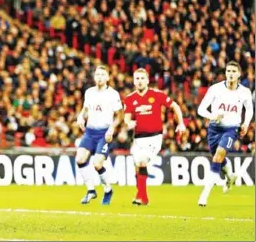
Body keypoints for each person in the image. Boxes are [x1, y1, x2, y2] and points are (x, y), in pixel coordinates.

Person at [124, 68, 186, 205]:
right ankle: (143, 198)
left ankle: (141, 197)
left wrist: (181, 123)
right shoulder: (129, 99)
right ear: (134, 81)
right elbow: (126, 119)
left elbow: (174, 106)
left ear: (147, 80)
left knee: (141, 162)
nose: (139, 81)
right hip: (138, 139)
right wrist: (129, 123)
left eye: (142, 78)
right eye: (137, 79)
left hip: (154, 137)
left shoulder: (156, 95)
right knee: (138, 167)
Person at [197, 61, 254, 206]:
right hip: (214, 129)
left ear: (239, 74)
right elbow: (201, 109)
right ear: (225, 73)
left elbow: (249, 109)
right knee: (219, 159)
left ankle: (205, 194)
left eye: (234, 71)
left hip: (231, 129)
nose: (230, 74)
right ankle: (230, 176)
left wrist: (246, 123)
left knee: (218, 156)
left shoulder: (245, 92)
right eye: (228, 71)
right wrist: (212, 116)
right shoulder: (215, 89)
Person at [76, 65, 123, 205]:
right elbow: (85, 110)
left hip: (104, 133)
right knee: (80, 159)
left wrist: (111, 129)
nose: (99, 77)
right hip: (90, 132)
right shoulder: (89, 92)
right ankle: (91, 190)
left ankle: (108, 189)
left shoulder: (113, 94)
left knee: (97, 164)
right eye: (97, 74)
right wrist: (80, 117)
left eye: (103, 74)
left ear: (108, 77)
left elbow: (119, 116)